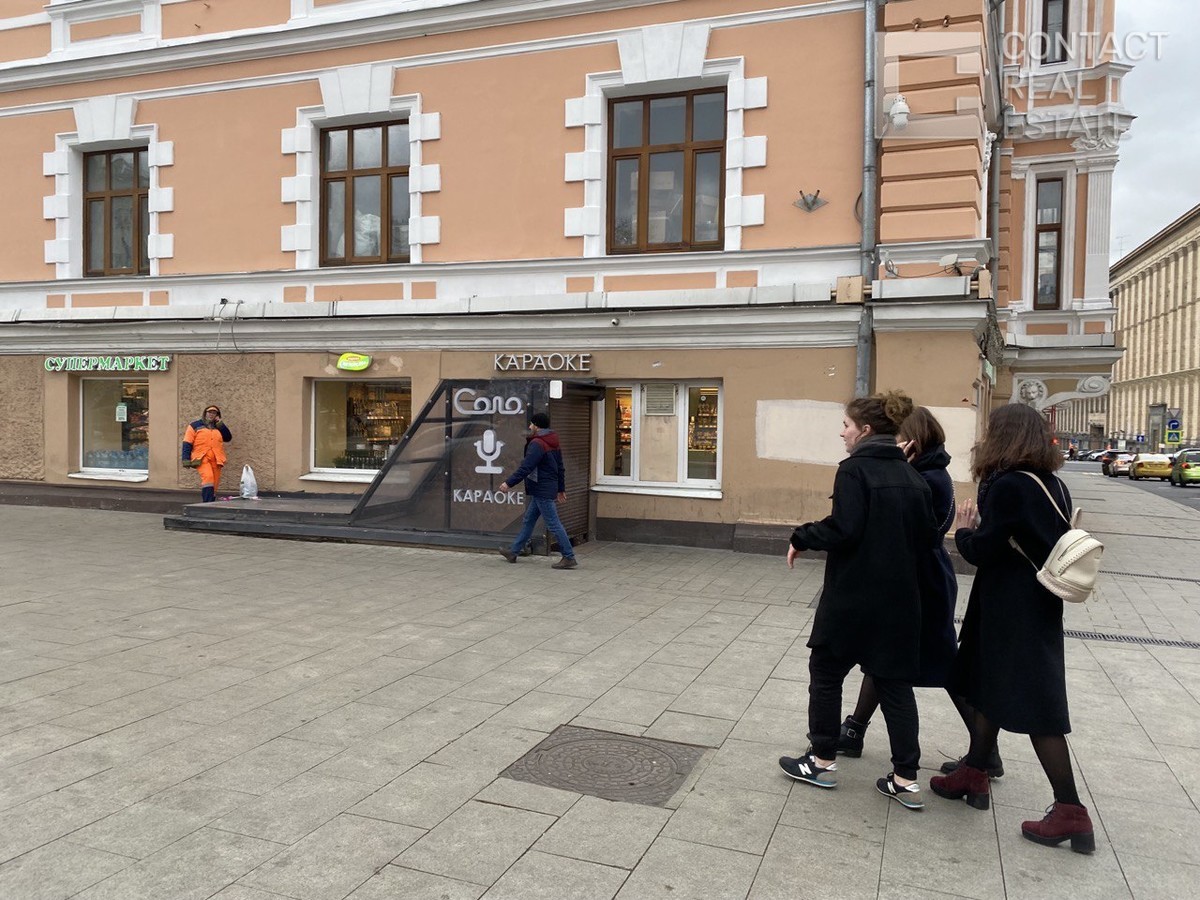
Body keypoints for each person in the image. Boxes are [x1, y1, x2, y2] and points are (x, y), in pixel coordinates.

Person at [930, 403, 1094, 854]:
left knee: (1038, 706)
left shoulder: (1009, 485)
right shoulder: (1051, 483)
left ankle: (1070, 810)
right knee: (987, 684)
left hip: (1010, 608)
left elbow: (982, 550)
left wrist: (964, 531)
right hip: (1034, 604)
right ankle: (975, 771)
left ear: (1003, 436)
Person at [778, 391, 939, 810]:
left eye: (846, 425)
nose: (842, 433)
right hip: (900, 603)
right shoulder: (914, 477)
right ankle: (906, 779)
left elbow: (844, 529)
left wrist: (802, 535)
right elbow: (928, 540)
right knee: (895, 687)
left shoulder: (854, 470)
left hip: (853, 599)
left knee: (826, 673)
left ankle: (821, 761)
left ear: (865, 430)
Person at [836, 407, 992, 769]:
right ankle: (855, 729)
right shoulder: (928, 471)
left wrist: (898, 472)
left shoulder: (927, 477)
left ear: (912, 440)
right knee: (883, 657)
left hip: (923, 583)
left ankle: (986, 753)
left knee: (944, 668)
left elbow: (907, 527)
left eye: (896, 436)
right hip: (920, 576)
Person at [497, 411, 578, 570]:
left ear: (536, 425)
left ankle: (569, 556)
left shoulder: (538, 444)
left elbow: (526, 467)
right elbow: (560, 467)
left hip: (542, 488)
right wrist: (560, 488)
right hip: (546, 487)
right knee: (529, 519)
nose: (529, 426)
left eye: (531, 424)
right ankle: (513, 551)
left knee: (553, 523)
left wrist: (508, 483)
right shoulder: (553, 441)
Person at [181, 405, 232, 503]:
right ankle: (207, 504)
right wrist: (186, 459)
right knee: (208, 478)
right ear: (205, 413)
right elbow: (187, 442)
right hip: (201, 458)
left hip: (216, 459)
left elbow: (228, 437)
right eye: (210, 412)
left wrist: (220, 423)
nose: (211, 414)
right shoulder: (194, 425)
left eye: (214, 413)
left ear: (217, 415)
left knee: (215, 483)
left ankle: (211, 503)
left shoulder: (219, 427)